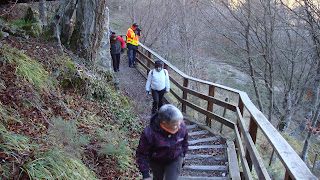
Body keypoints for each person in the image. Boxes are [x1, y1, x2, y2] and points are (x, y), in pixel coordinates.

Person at [136, 104, 188, 180]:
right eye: (175, 125)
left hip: (175, 157)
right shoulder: (149, 133)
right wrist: (146, 175)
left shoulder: (181, 126)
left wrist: (183, 154)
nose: (179, 127)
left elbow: (184, 141)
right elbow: (141, 154)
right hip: (157, 159)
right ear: (164, 123)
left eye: (179, 123)